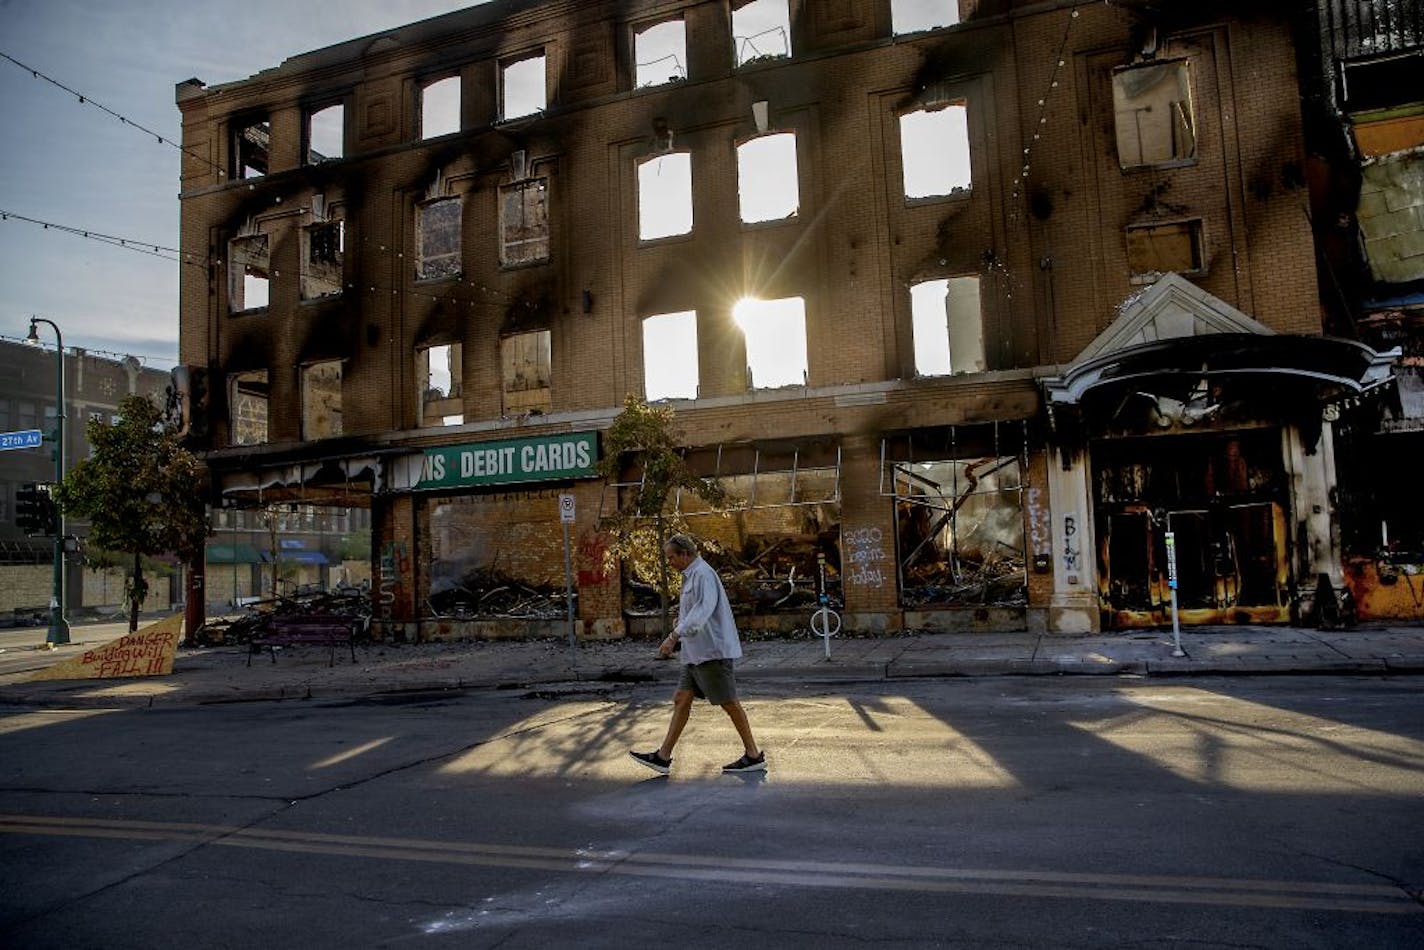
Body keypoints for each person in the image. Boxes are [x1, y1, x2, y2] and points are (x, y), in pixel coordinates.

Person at [629, 534, 766, 775]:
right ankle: (662, 756)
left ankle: (753, 755)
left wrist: (674, 636)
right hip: (696, 653)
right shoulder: (692, 574)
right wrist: (681, 621)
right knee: (681, 699)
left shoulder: (702, 574)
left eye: (672, 557)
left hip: (711, 652)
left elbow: (703, 610)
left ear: (684, 554)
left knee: (729, 703)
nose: (669, 562)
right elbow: (695, 611)